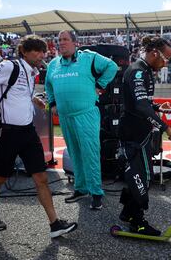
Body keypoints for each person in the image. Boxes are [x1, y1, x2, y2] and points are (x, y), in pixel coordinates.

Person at [0, 35, 77, 238]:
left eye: (43, 51)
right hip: (8, 133)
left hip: (28, 132)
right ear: (24, 52)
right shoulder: (9, 66)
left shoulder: (31, 71)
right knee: (0, 177)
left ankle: (55, 224)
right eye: (36, 51)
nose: (41, 55)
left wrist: (33, 98)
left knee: (41, 178)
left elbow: (18, 92)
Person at [45, 30, 118, 209]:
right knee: (75, 153)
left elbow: (112, 67)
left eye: (65, 39)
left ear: (75, 42)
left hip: (86, 114)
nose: (61, 43)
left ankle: (96, 193)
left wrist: (100, 86)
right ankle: (81, 188)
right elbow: (48, 85)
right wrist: (52, 103)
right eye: (59, 40)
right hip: (65, 116)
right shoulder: (53, 64)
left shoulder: (89, 57)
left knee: (90, 153)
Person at [118, 36, 171, 236]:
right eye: (166, 58)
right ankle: (138, 223)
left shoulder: (144, 70)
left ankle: (128, 213)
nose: (166, 63)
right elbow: (139, 106)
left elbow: (141, 103)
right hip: (134, 135)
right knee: (143, 179)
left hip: (138, 133)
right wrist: (166, 128)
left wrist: (157, 107)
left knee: (136, 175)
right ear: (155, 53)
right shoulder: (138, 71)